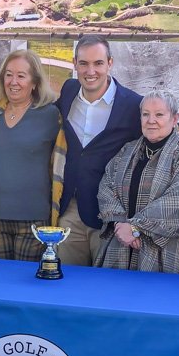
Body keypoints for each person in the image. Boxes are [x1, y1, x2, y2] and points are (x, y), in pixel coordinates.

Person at [0, 50, 66, 260]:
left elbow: (60, 164)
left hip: (33, 221)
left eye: (21, 76)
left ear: (35, 82)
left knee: (25, 287)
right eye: (9, 74)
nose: (13, 81)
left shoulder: (50, 115)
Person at [56, 36, 143, 266]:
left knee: (104, 289)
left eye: (98, 63)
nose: (90, 71)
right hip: (70, 211)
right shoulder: (68, 91)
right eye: (83, 63)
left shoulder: (133, 105)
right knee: (66, 284)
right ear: (75, 63)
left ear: (110, 63)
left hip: (110, 217)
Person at [95, 90, 179, 274]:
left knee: (155, 301)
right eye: (145, 114)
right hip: (120, 243)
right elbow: (106, 186)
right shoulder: (128, 149)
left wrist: (135, 227)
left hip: (161, 249)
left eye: (159, 114)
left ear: (175, 119)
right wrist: (120, 224)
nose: (151, 120)